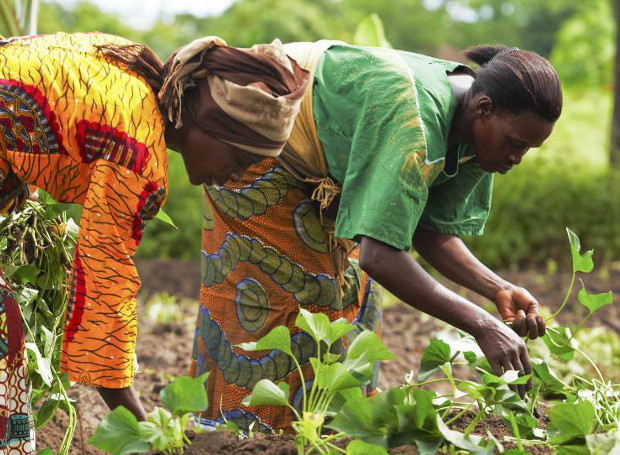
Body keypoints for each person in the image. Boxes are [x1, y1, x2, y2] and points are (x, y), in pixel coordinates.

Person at [190, 41, 562, 433]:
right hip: (257, 146)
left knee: (356, 299)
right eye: (516, 144)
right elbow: (380, 255)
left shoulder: (477, 133)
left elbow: (429, 230)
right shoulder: (415, 119)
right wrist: (483, 326)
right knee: (284, 299)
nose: (517, 158)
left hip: (326, 177)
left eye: (528, 149)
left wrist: (497, 288)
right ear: (484, 109)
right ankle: (239, 433)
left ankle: (334, 432)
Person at [0, 31, 308, 448]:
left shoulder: (133, 70)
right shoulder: (139, 151)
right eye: (241, 160)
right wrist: (150, 430)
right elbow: (103, 291)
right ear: (209, 126)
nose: (236, 176)